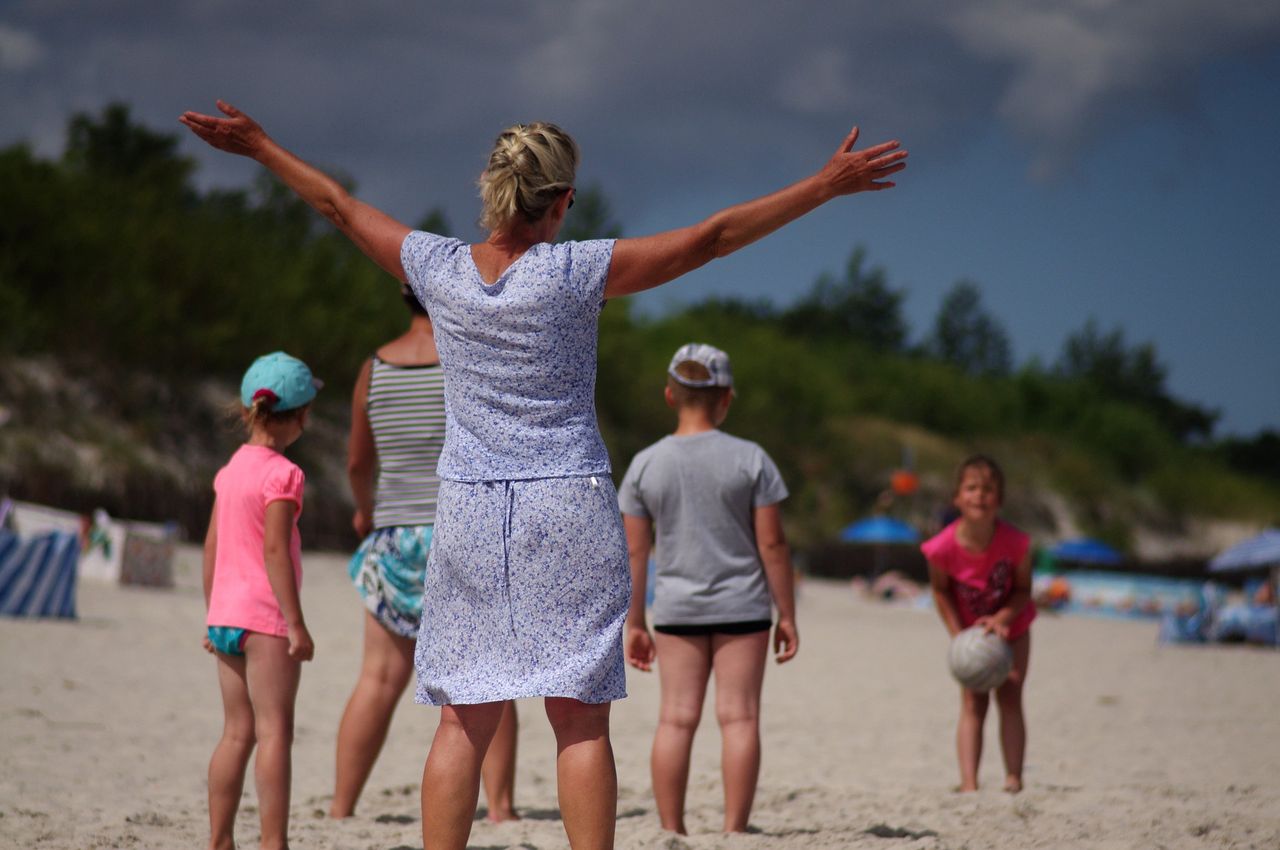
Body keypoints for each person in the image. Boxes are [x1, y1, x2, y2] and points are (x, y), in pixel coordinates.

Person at [180, 99, 905, 850]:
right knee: (580, 716)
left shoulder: (438, 269)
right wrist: (822, 186)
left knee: (463, 715)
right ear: (560, 201)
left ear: (493, 191)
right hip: (566, 500)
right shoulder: (574, 271)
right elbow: (711, 239)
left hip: (466, 509)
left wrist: (261, 145)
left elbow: (336, 206)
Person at [330, 286, 519, 821]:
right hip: (461, 529)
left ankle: (341, 807)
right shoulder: (466, 359)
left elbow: (357, 462)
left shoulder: (373, 367)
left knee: (378, 679)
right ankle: (502, 809)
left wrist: (367, 511)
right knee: (489, 678)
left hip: (394, 535)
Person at [618, 343, 799, 835]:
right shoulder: (751, 459)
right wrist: (787, 614)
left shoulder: (646, 465)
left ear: (669, 396)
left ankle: (672, 829)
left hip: (677, 608)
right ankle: (734, 829)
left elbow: (636, 554)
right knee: (738, 718)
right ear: (726, 398)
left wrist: (635, 622)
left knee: (676, 720)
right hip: (743, 606)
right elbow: (774, 545)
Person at [202, 351, 320, 850]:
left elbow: (211, 546)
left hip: (226, 616)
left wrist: (212, 614)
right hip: (264, 620)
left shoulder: (230, 471)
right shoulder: (283, 475)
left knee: (236, 733)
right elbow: (275, 550)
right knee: (274, 733)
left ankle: (220, 839)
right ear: (296, 418)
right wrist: (295, 623)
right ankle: (274, 842)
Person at [921, 454, 1034, 794]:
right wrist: (960, 637)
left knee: (1011, 695)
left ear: (999, 499)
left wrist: (1002, 619)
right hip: (970, 635)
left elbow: (1023, 590)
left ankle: (1013, 778)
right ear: (957, 497)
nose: (980, 495)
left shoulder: (1017, 544)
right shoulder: (941, 547)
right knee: (973, 701)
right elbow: (940, 591)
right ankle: (969, 782)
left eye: (988, 489)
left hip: (1012, 628)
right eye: (971, 488)